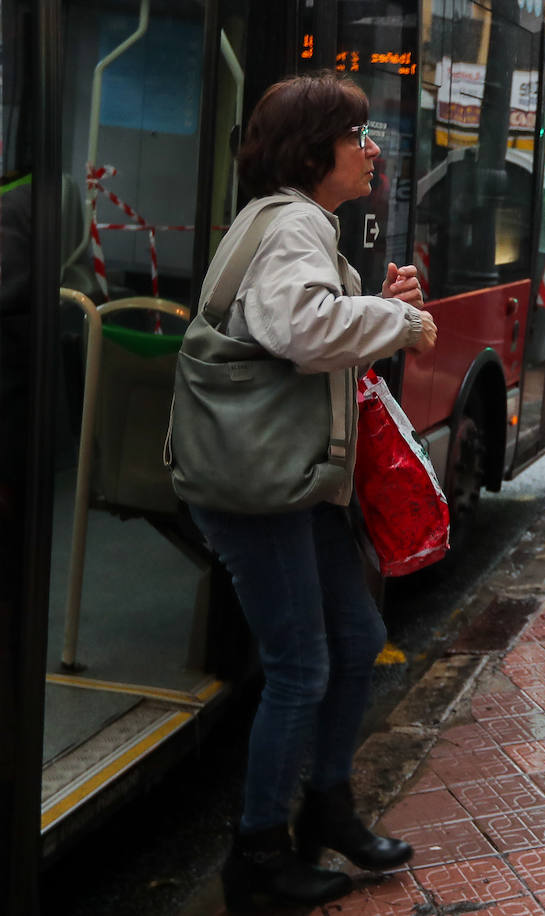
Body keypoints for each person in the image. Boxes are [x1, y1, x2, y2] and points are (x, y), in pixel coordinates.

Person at [182, 73, 438, 912]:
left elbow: (294, 320)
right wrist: (399, 320)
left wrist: (371, 304)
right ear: (312, 149)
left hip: (293, 476)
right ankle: (258, 855)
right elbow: (299, 331)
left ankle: (328, 808)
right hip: (262, 482)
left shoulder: (284, 219)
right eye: (356, 136)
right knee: (301, 666)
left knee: (358, 636)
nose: (370, 151)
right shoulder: (295, 221)